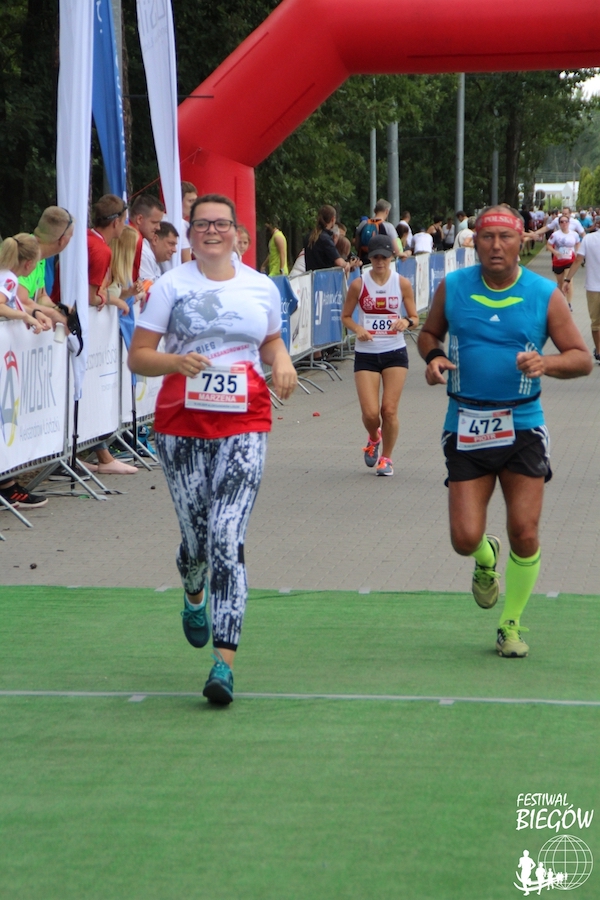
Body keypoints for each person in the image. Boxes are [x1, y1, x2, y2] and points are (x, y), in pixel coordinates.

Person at [128, 193, 297, 704]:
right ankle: (192, 582)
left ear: (237, 233)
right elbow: (139, 356)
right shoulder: (170, 287)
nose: (211, 232)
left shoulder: (260, 286)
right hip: (181, 423)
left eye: (221, 224)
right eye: (201, 224)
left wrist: (282, 361)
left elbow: (270, 341)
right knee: (198, 540)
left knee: (226, 535)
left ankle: (223, 664)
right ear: (190, 232)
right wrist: (175, 363)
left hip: (245, 420)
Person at [417, 205, 591, 658]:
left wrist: (546, 363)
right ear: (474, 242)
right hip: (466, 423)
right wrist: (433, 358)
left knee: (525, 531)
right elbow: (428, 334)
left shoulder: (543, 293)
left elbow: (581, 358)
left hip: (522, 424)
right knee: (464, 539)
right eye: (487, 237)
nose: (496, 246)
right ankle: (485, 557)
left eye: (506, 237)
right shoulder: (454, 286)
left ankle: (510, 623)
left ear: (523, 242)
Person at [341, 234, 417, 477]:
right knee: (371, 413)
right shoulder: (359, 284)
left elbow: (415, 317)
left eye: (384, 257)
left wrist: (406, 321)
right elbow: (345, 317)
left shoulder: (401, 283)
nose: (380, 261)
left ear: (391, 257)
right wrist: (358, 329)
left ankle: (387, 458)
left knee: (389, 410)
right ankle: (374, 437)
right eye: (375, 257)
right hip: (367, 354)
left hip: (395, 352)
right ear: (369, 259)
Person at [0, 234, 51, 509]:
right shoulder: (9, 278)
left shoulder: (7, 276)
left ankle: (8, 484)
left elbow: (16, 304)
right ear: (30, 264)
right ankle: (7, 487)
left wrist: (32, 314)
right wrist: (25, 316)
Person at [561, 225, 600, 362]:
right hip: (593, 286)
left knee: (596, 322)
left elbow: (578, 260)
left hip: (594, 287)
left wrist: (567, 279)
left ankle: (599, 351)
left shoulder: (588, 239)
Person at [129, 194, 165, 281]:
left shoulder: (136, 239)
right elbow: (147, 286)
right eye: (154, 222)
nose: (158, 228)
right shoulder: (135, 242)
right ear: (139, 219)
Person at [304, 205, 349, 273]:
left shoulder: (309, 236)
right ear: (333, 219)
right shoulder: (326, 239)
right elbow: (339, 262)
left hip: (311, 277)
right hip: (324, 277)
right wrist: (347, 264)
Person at [546, 214, 580, 303]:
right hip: (558, 260)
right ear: (559, 224)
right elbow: (548, 245)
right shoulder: (555, 235)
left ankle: (569, 304)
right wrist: (555, 252)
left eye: (566, 221)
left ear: (569, 223)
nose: (564, 223)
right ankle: (561, 302)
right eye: (562, 222)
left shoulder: (574, 234)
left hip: (570, 260)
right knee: (560, 283)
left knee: (569, 281)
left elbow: (578, 243)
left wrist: (577, 251)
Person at [180, 180, 197, 263]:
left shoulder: (163, 218)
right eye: (190, 201)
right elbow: (186, 262)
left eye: (195, 201)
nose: (194, 205)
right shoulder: (181, 225)